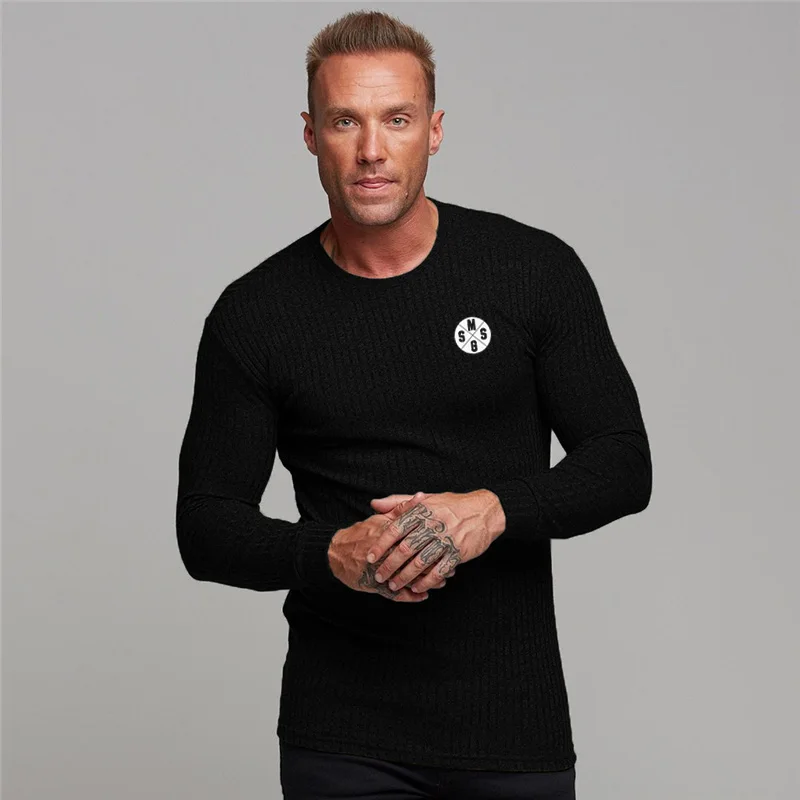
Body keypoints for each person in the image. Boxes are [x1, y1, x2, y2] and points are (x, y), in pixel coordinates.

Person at [175, 10, 652, 800]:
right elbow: (205, 525)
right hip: (344, 738)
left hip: (512, 729)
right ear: (310, 135)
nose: (371, 149)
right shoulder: (256, 315)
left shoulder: (531, 272)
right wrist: (331, 552)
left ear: (433, 131)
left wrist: (491, 510)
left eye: (396, 119)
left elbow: (623, 461)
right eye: (345, 121)